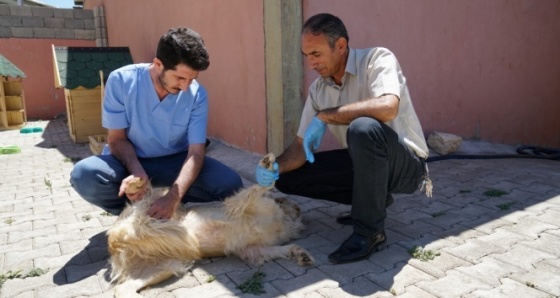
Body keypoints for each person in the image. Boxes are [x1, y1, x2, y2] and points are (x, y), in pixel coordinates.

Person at [255, 13, 432, 264]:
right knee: (288, 176)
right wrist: (274, 168)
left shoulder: (377, 59)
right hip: (366, 164)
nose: (311, 64)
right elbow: (299, 146)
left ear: (340, 46)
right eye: (306, 56)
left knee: (363, 128)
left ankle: (368, 232)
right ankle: (372, 202)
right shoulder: (319, 89)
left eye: (316, 54)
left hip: (406, 166)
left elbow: (388, 107)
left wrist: (327, 116)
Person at [70, 27, 243, 219]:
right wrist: (136, 173)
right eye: (180, 78)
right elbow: (116, 140)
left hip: (175, 162)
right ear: (158, 64)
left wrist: (173, 197)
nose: (186, 87)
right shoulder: (121, 81)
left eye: (192, 79)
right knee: (84, 175)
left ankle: (170, 204)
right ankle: (135, 213)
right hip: (130, 161)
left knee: (231, 185)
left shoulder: (197, 94)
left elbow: (195, 152)